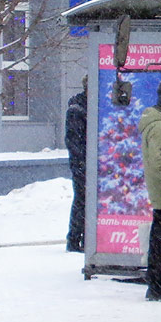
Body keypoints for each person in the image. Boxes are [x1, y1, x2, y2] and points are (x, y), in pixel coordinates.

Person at [139, 80, 161, 301]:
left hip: (160, 191)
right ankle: (157, 285)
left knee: (159, 237)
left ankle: (157, 284)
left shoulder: (158, 123)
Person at [64, 77, 87, 253]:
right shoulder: (78, 109)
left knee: (83, 200)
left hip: (84, 162)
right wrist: (82, 162)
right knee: (82, 200)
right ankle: (74, 238)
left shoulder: (81, 106)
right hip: (82, 163)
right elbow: (74, 140)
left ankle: (81, 237)